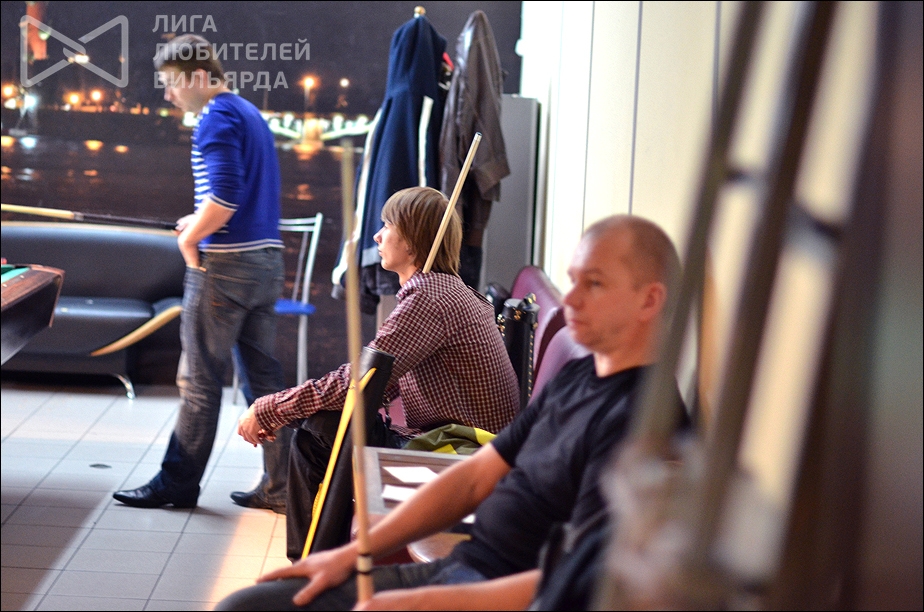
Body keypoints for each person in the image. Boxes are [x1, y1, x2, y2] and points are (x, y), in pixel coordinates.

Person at [215, 213, 688, 611]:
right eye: (573, 280)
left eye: (595, 283)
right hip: (465, 566)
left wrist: (417, 603)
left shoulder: (645, 421)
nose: (572, 300)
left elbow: (577, 583)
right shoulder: (580, 376)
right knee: (252, 603)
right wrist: (351, 555)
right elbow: (476, 477)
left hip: (493, 592)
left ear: (650, 300)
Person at [237, 185, 521, 561]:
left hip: (458, 455)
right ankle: (315, 565)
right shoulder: (446, 291)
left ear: (413, 241)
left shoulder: (429, 299)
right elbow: (376, 385)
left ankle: (308, 568)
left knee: (321, 430)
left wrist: (269, 408)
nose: (377, 236)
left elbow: (356, 383)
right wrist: (286, 411)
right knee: (323, 425)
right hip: (460, 446)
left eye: (387, 225)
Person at [113, 34, 292, 514]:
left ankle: (176, 484)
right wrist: (198, 219)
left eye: (172, 83)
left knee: (199, 380)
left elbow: (226, 197)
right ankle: (283, 487)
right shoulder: (249, 113)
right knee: (264, 379)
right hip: (266, 261)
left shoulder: (214, 117)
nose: (169, 94)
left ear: (197, 76)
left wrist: (190, 240)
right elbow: (238, 197)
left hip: (225, 266)